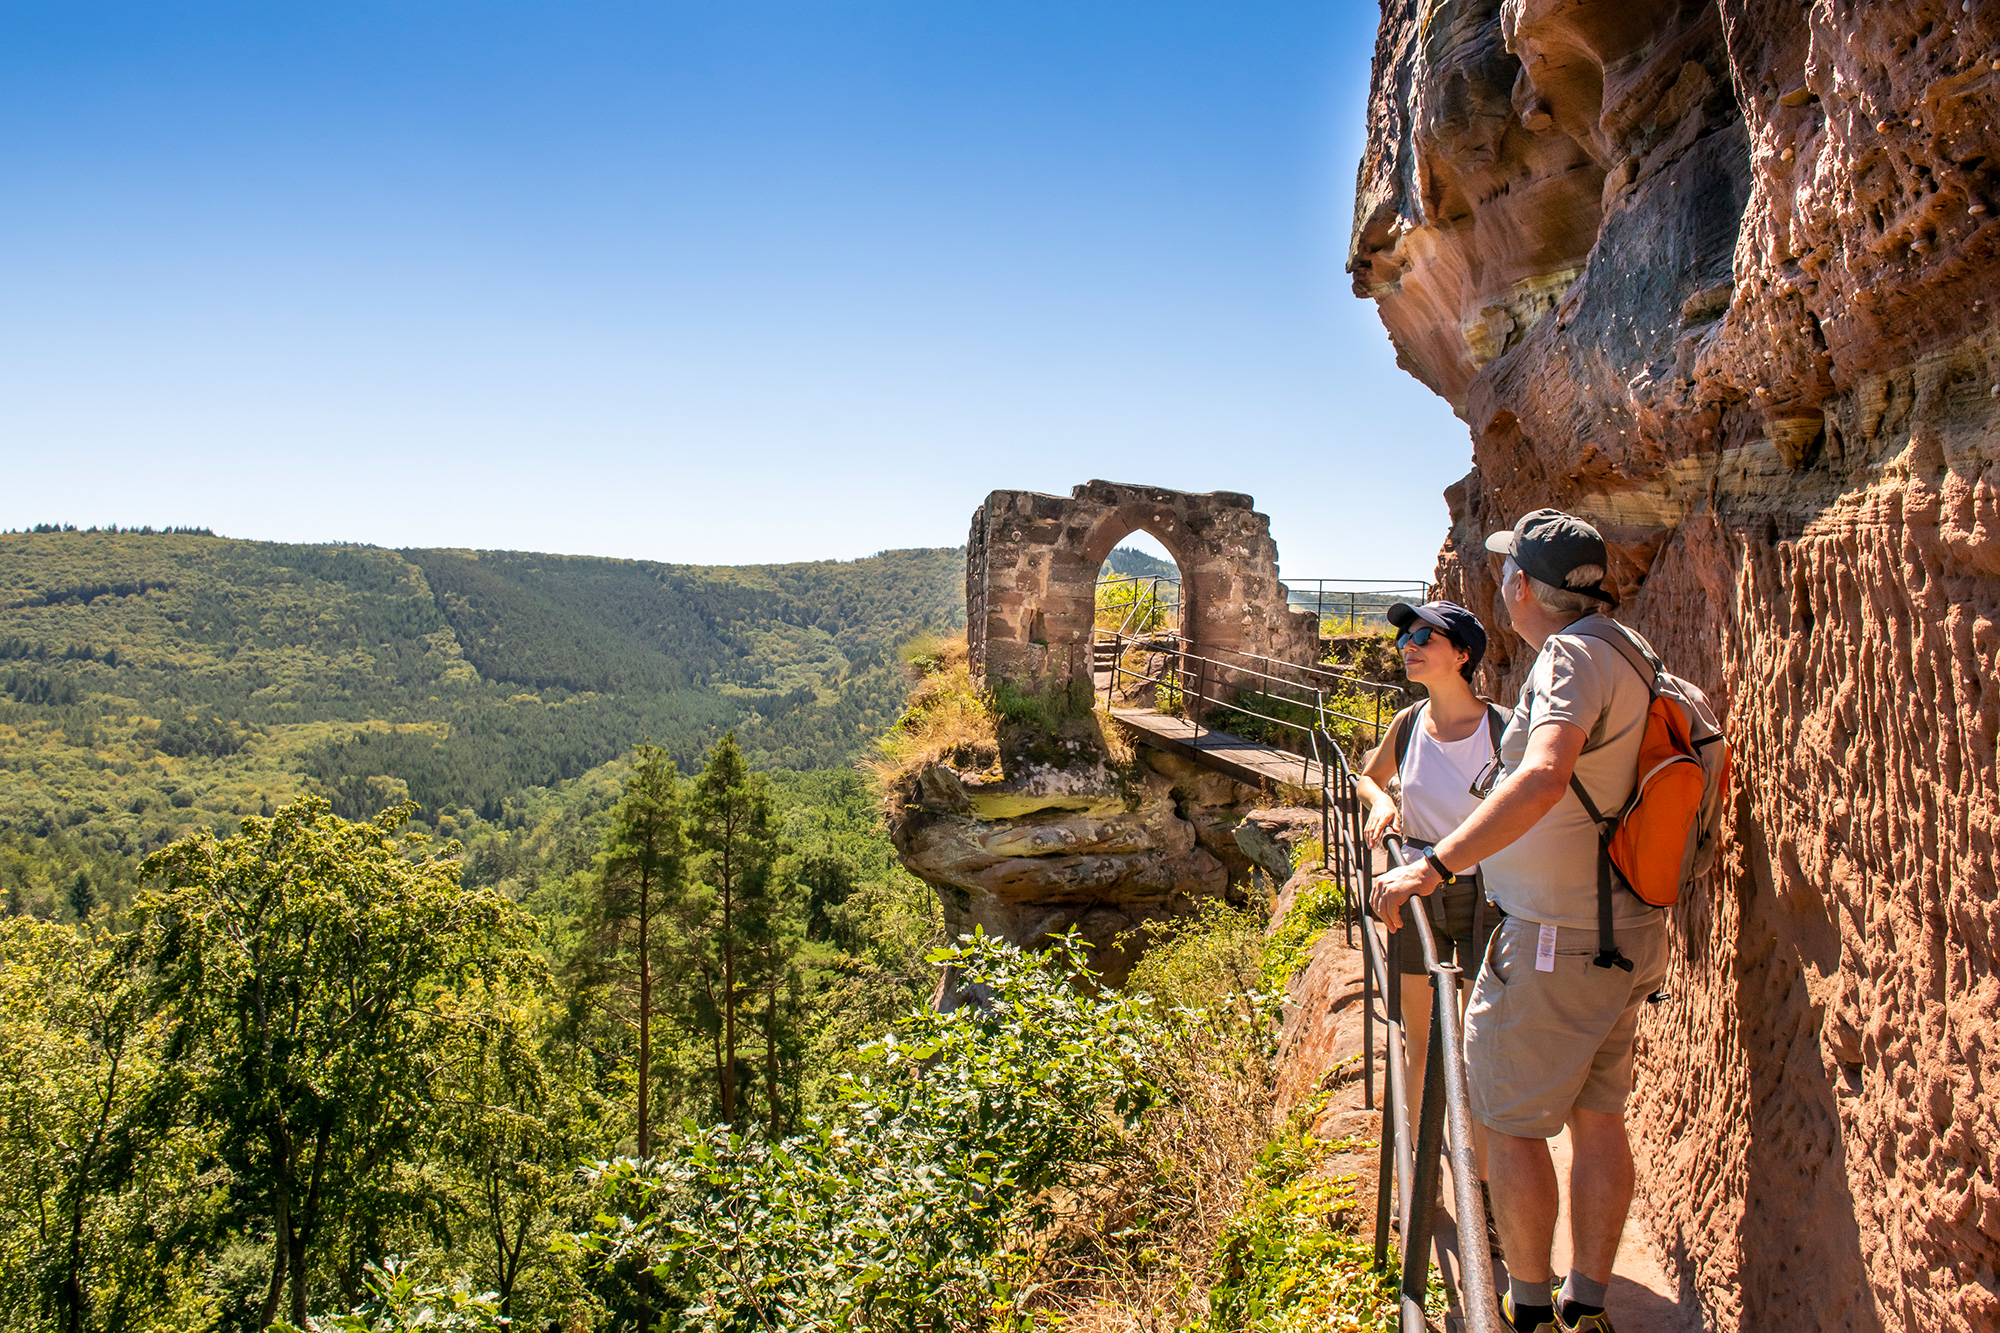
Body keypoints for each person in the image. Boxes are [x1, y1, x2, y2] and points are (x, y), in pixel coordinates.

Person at [1370, 509, 1669, 1333]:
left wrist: (1434, 863)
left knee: (1504, 1120)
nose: (1499, 581)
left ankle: (1530, 1308)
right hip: (1624, 924)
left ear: (1525, 588)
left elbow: (1542, 775)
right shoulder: (1630, 647)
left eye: (1507, 570)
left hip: (1555, 937)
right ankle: (1587, 1302)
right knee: (1598, 1117)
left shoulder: (1570, 658)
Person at [1350, 600, 1503, 1148]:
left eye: (1424, 637)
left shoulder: (1504, 729)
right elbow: (1369, 778)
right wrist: (1381, 804)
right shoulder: (1409, 723)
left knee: (1477, 1045)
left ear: (1463, 655)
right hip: (1416, 893)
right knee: (1419, 1040)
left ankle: (1480, 1186)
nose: (1408, 646)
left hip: (1488, 898)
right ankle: (1421, 1178)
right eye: (1404, 638)